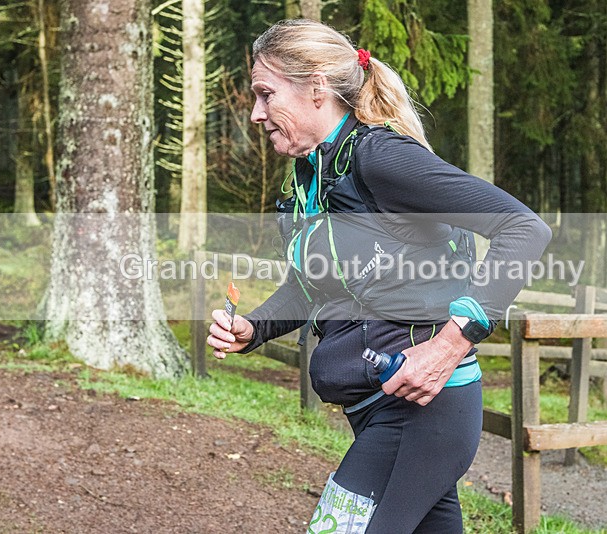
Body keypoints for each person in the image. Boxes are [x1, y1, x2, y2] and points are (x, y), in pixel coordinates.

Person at [207, 19, 552, 534]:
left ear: (318, 87)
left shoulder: (380, 158)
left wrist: (448, 346)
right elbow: (312, 285)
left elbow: (524, 229)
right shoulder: (312, 177)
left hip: (420, 411)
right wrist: (254, 328)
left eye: (265, 94)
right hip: (373, 408)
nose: (256, 114)